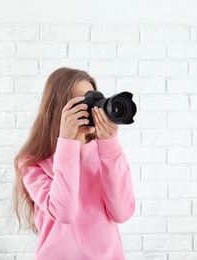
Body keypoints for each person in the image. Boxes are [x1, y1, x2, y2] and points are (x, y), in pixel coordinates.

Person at [13, 67, 135, 259]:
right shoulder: (32, 163)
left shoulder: (107, 154)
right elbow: (65, 212)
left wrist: (110, 146)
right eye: (82, 103)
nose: (90, 110)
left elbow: (121, 213)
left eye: (94, 100)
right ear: (58, 110)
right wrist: (68, 142)